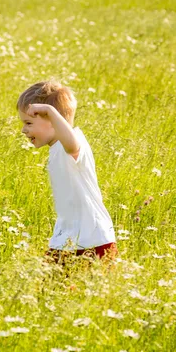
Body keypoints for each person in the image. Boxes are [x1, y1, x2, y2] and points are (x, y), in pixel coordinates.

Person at [17, 80, 119, 270]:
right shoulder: (56, 148)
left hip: (93, 239)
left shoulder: (72, 143)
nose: (24, 130)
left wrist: (50, 110)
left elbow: (71, 143)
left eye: (29, 123)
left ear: (53, 121)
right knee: (50, 291)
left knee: (91, 294)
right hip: (67, 238)